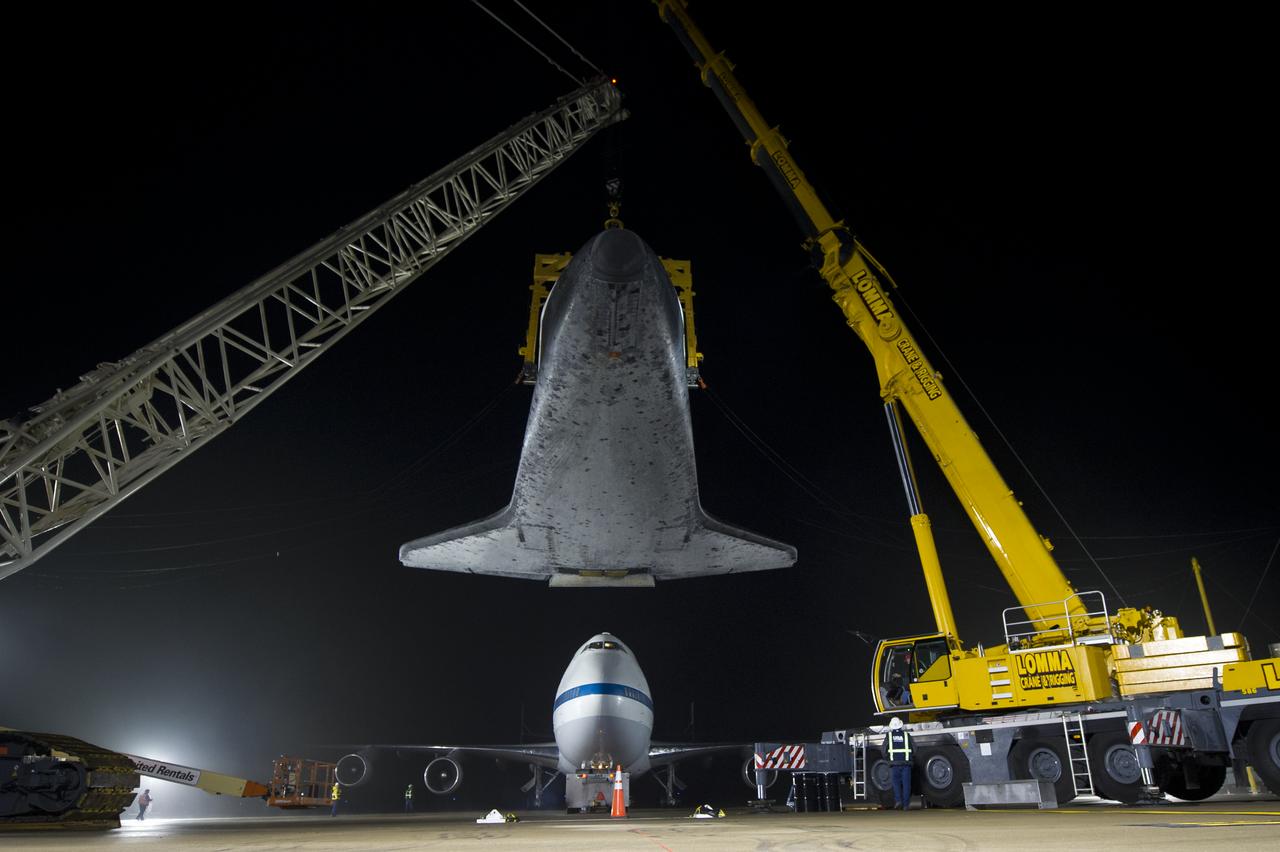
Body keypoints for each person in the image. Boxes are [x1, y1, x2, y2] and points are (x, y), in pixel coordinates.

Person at [882, 716, 913, 810]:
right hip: (906, 764)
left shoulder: (889, 736)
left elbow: (883, 750)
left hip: (894, 765)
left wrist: (889, 759)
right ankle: (906, 805)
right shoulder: (907, 735)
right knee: (906, 784)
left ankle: (898, 801)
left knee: (896, 784)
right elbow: (914, 748)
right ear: (900, 725)